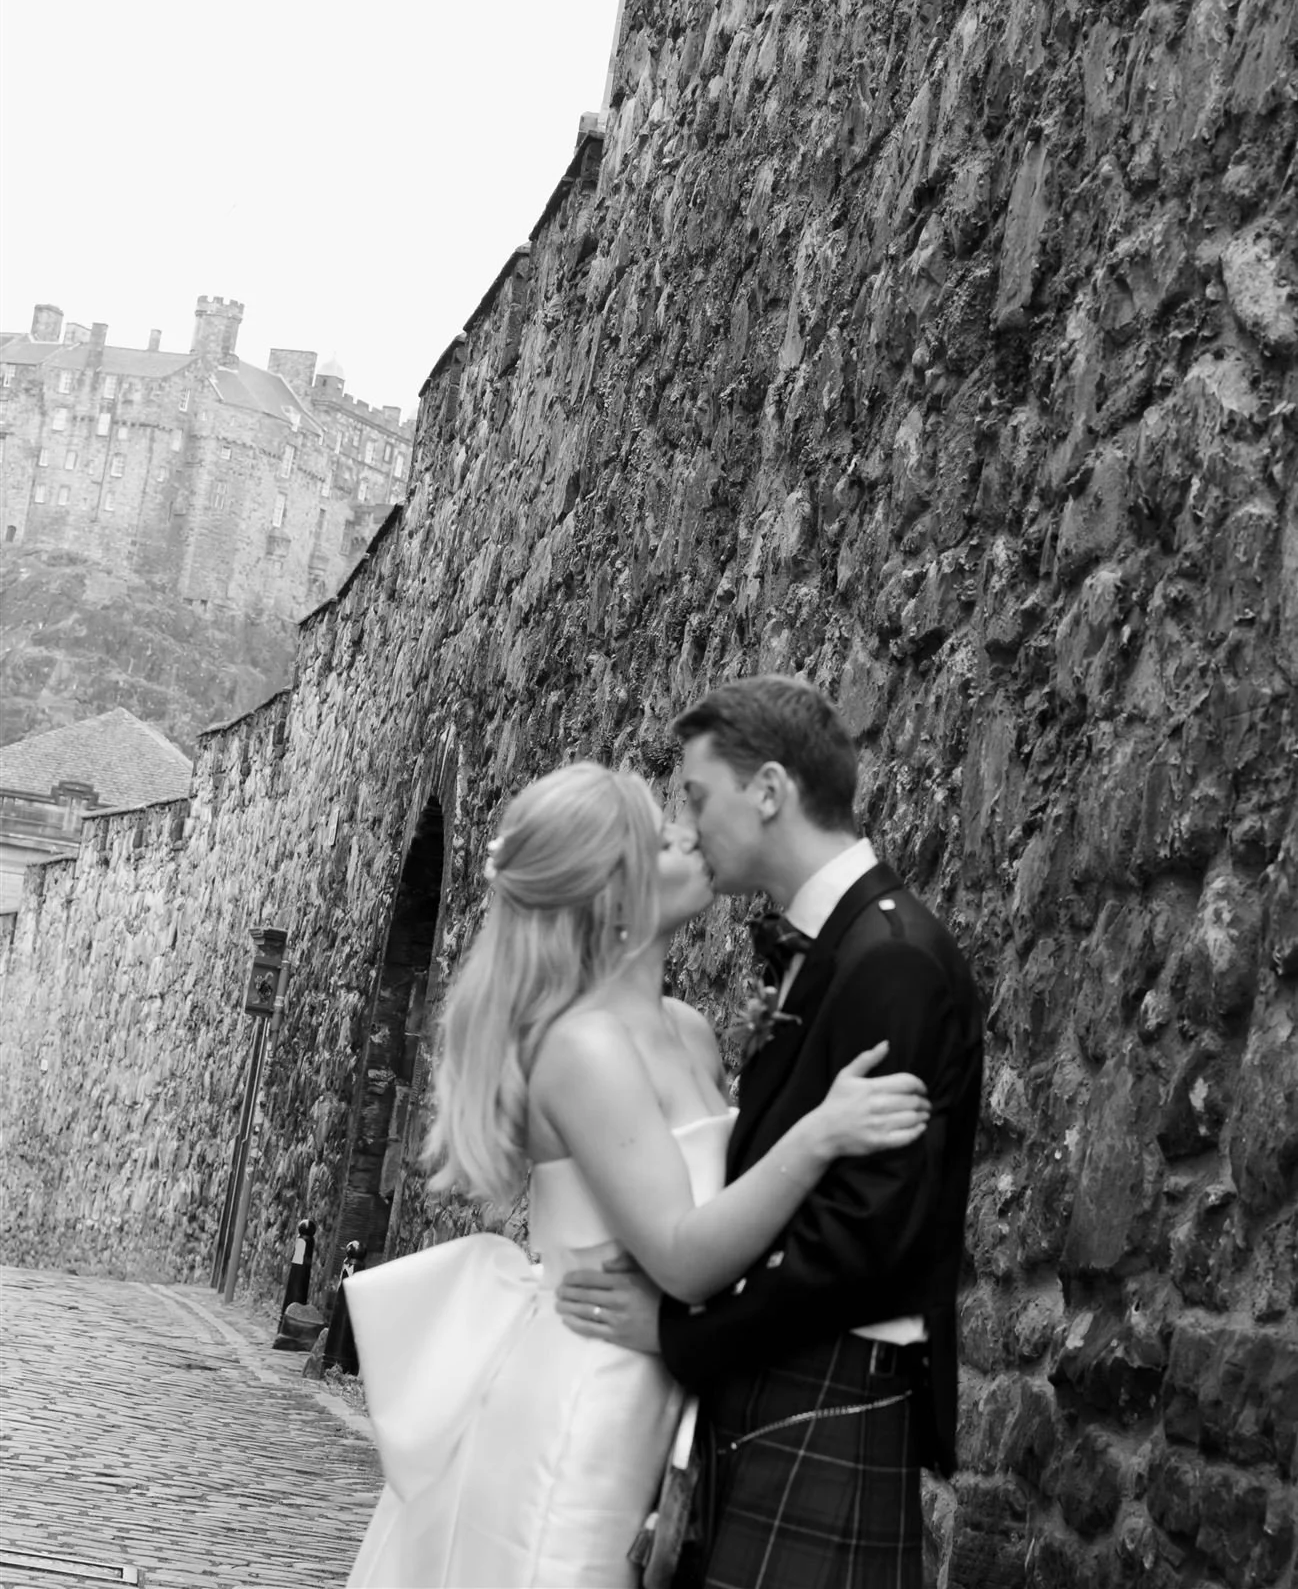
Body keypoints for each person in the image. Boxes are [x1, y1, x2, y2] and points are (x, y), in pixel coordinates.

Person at [344, 758, 931, 1589]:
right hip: (590, 1400)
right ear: (611, 897)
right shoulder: (582, 1047)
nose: (691, 837)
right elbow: (683, 1255)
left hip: (668, 1393)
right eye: (662, 839)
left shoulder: (687, 1031)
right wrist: (820, 1135)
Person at [556, 677, 984, 1589]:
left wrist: (679, 1336)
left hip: (831, 1390)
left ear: (769, 791)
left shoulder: (893, 960)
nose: (687, 823)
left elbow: (858, 1243)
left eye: (698, 797)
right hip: (781, 1390)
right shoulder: (833, 948)